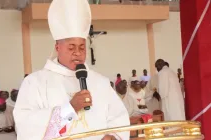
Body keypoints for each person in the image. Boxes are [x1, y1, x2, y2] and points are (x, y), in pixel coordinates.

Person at [13, 0, 130, 140]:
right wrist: (69, 109)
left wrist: (113, 137)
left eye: (81, 47)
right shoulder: (34, 83)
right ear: (58, 48)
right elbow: (26, 125)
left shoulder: (101, 82)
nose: (77, 53)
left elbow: (119, 117)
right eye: (71, 47)